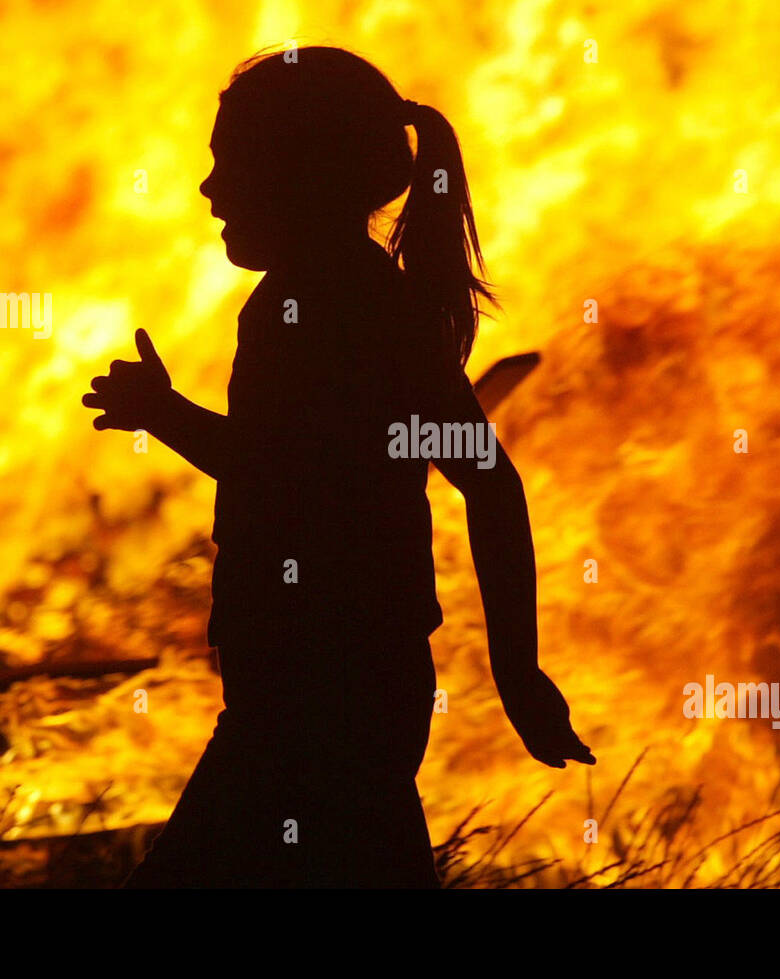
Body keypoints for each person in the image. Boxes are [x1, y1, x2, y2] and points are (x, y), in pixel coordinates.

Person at [83, 46, 594, 887]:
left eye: (229, 167)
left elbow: (296, 474)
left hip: (318, 697)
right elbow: (450, 476)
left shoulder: (329, 307)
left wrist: (165, 416)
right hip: (332, 689)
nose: (211, 191)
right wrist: (517, 670)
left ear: (299, 176)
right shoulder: (346, 298)